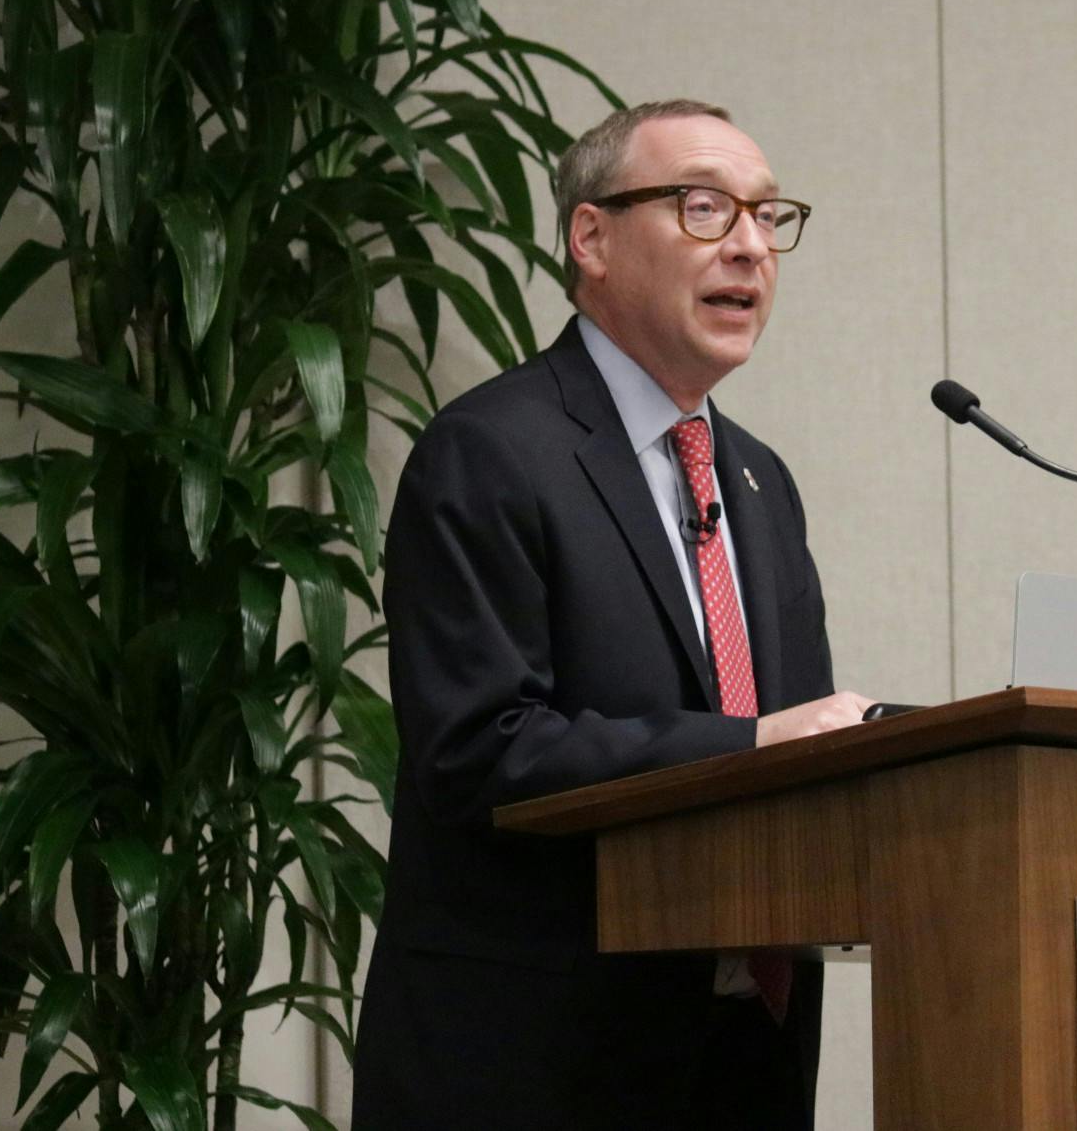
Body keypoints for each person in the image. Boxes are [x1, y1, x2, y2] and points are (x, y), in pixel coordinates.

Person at [353, 100, 872, 1130]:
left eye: (768, 216)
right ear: (590, 237)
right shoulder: (490, 452)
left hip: (742, 1062)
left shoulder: (759, 480)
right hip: (539, 1065)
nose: (749, 246)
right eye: (703, 207)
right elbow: (479, 750)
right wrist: (747, 746)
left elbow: (796, 761)